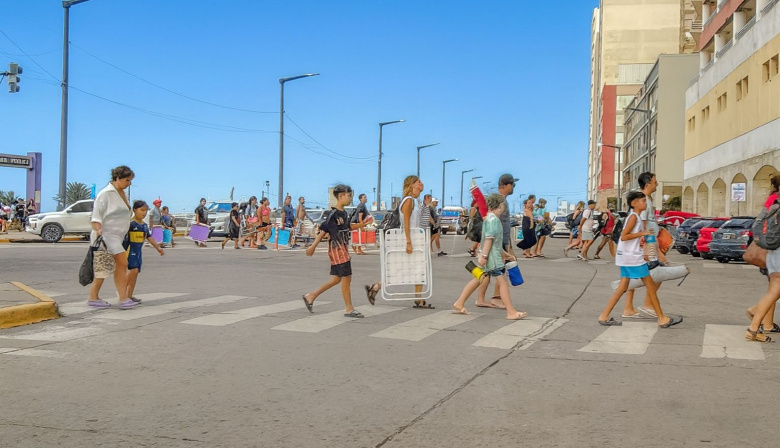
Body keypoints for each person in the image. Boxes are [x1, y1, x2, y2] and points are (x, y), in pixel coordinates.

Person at [597, 191, 682, 328]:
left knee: (623, 287)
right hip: (632, 259)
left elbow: (629, 238)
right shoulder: (634, 217)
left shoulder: (634, 216)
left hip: (627, 257)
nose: (645, 203)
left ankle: (604, 315)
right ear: (634, 203)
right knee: (650, 286)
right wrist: (642, 233)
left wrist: (642, 247)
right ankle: (662, 318)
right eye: (642, 201)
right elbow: (624, 237)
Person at [453, 193, 528, 320]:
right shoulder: (494, 220)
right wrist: (485, 256)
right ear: (499, 205)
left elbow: (494, 242)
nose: (504, 208)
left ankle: (459, 303)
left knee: (478, 278)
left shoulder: (489, 218)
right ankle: (511, 312)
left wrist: (505, 254)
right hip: (492, 258)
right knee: (502, 282)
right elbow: (489, 240)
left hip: (490, 256)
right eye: (503, 206)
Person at [302, 184, 371, 318]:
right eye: (349, 195)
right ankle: (349, 309)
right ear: (341, 196)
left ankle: (311, 296)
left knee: (336, 279)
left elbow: (347, 227)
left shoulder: (344, 213)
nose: (350, 198)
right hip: (338, 251)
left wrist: (362, 224)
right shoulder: (333, 214)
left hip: (342, 249)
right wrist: (313, 246)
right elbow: (324, 230)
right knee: (346, 278)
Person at [364, 175, 432, 308]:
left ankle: (418, 297)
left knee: (418, 268)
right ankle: (377, 287)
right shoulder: (408, 201)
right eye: (419, 182)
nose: (421, 184)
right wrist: (408, 242)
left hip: (415, 238)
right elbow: (406, 221)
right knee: (405, 269)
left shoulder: (415, 201)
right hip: (409, 238)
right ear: (412, 184)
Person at [87, 165, 138, 309]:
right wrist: (98, 232)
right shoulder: (105, 194)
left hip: (118, 235)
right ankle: (123, 298)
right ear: (118, 178)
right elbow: (96, 217)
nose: (129, 184)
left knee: (105, 267)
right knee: (122, 263)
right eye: (127, 180)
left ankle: (93, 297)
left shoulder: (122, 194)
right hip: (107, 235)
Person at [745, 173, 780, 342]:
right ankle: (753, 327)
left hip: (773, 252)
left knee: (774, 290)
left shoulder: (773, 202)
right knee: (774, 290)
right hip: (778, 253)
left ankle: (756, 314)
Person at [476, 173, 518, 309]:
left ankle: (481, 298)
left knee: (487, 272)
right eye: (512, 185)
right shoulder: (500, 201)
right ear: (505, 185)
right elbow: (497, 225)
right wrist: (507, 247)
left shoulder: (500, 200)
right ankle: (496, 297)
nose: (513, 187)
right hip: (497, 242)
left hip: (498, 242)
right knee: (499, 271)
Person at [126, 200, 165, 302]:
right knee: (132, 273)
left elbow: (149, 237)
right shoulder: (130, 224)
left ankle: (129, 296)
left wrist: (158, 248)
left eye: (146, 211)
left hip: (138, 253)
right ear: (135, 210)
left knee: (135, 275)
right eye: (141, 210)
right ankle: (125, 296)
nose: (144, 213)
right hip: (130, 252)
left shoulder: (143, 225)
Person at [638, 172, 667, 266]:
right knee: (653, 271)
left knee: (653, 273)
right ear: (647, 185)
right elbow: (642, 223)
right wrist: (656, 250)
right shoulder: (643, 201)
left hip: (651, 241)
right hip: (649, 243)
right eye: (655, 182)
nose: (657, 184)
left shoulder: (647, 199)